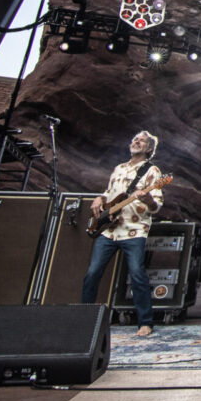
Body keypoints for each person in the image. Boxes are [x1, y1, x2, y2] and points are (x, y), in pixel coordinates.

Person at [82, 130, 165, 337]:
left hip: (134, 230)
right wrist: (99, 199)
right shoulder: (119, 168)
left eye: (142, 140)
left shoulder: (152, 171)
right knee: (92, 273)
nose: (136, 141)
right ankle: (84, 318)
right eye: (135, 139)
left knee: (137, 273)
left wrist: (147, 200)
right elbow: (110, 194)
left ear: (149, 149)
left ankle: (145, 322)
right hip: (109, 231)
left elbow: (156, 206)